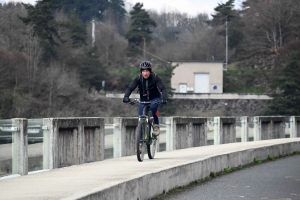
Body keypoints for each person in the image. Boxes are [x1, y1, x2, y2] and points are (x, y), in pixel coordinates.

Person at [123, 61, 168, 136]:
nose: (145, 73)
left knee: (153, 107)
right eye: (143, 71)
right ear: (141, 72)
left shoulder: (155, 77)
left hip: (155, 98)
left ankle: (156, 125)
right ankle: (140, 142)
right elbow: (130, 88)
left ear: (150, 71)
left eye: (147, 71)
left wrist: (164, 98)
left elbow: (163, 89)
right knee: (140, 118)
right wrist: (126, 97)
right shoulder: (138, 78)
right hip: (143, 100)